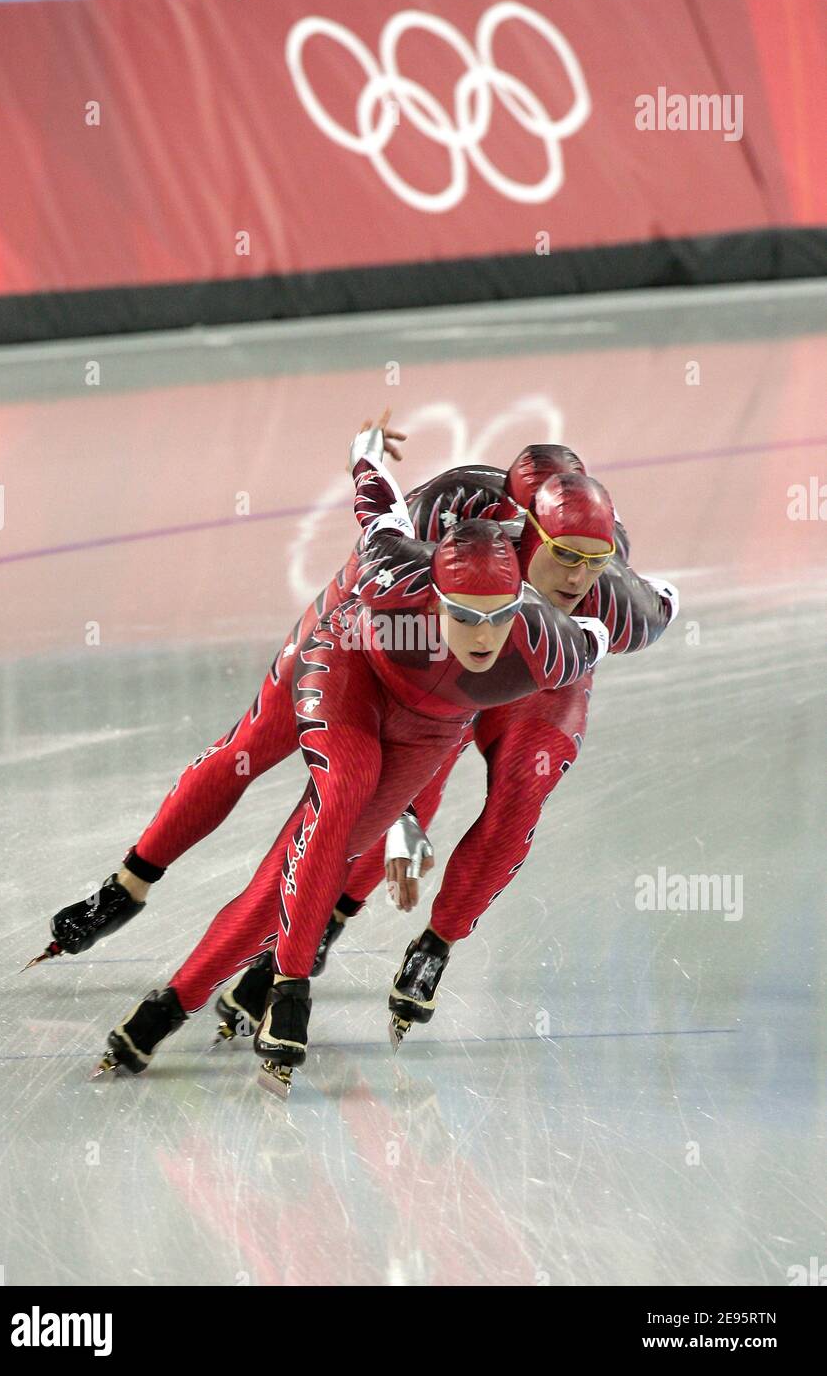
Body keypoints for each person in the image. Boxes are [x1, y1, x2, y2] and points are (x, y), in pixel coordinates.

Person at [94, 420, 625, 1093]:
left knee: (504, 790)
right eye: (556, 549)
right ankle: (249, 965)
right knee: (330, 787)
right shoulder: (421, 547)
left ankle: (396, 944)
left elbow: (630, 620)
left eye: (591, 561)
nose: (576, 572)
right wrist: (365, 451)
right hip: (359, 662)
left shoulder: (559, 635)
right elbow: (379, 511)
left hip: (449, 709)